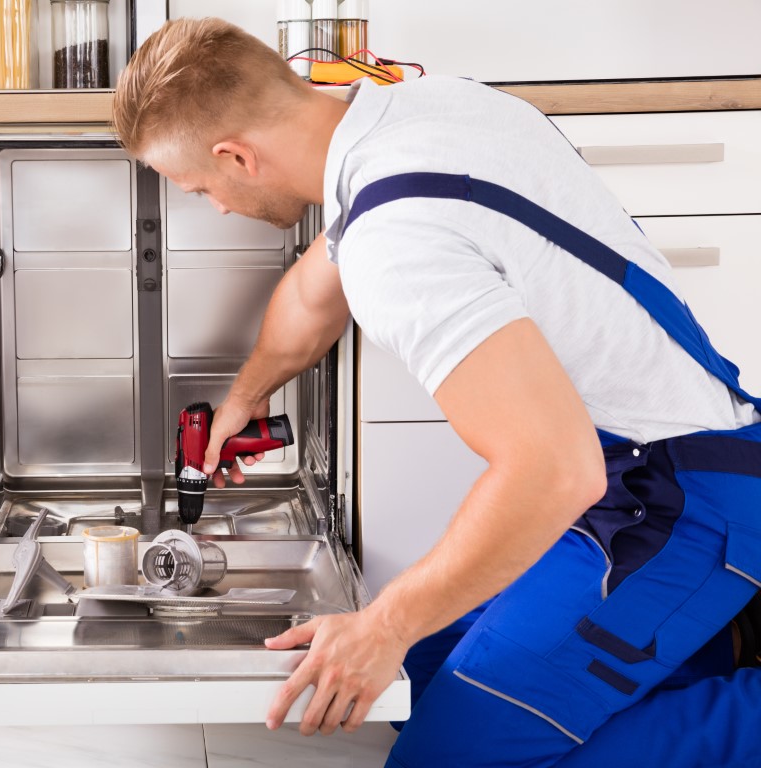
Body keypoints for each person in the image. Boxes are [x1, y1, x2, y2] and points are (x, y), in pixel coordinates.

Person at [113, 16, 761, 768]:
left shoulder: (397, 243)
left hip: (675, 497)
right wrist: (244, 397)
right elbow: (315, 298)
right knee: (411, 687)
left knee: (441, 756)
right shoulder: (417, 113)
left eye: (200, 188)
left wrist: (384, 624)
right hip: (642, 470)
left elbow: (553, 471)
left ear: (236, 156)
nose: (216, 206)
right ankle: (712, 641)